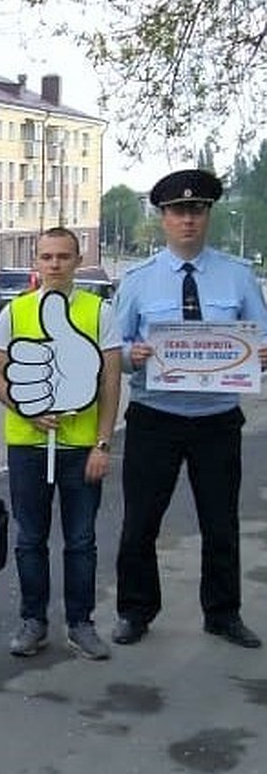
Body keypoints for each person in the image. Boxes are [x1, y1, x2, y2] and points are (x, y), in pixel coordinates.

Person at [113, 168, 267, 648]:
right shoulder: (138, 281)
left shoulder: (238, 277)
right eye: (178, 211)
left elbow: (260, 337)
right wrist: (129, 356)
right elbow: (113, 350)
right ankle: (135, 612)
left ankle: (222, 613)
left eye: (197, 210)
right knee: (141, 521)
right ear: (163, 217)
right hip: (153, 417)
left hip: (216, 420)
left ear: (208, 215)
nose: (188, 220)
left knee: (220, 522)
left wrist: (262, 353)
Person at [0, 227, 121, 660]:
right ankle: (34, 622)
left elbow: (110, 380)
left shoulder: (98, 311)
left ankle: (80, 624)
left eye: (64, 256)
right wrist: (25, 407)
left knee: (81, 540)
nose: (55, 264)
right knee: (30, 539)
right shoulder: (16, 311)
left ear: (77, 261)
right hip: (27, 446)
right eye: (47, 257)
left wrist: (103, 444)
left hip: (81, 447)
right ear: (36, 262)